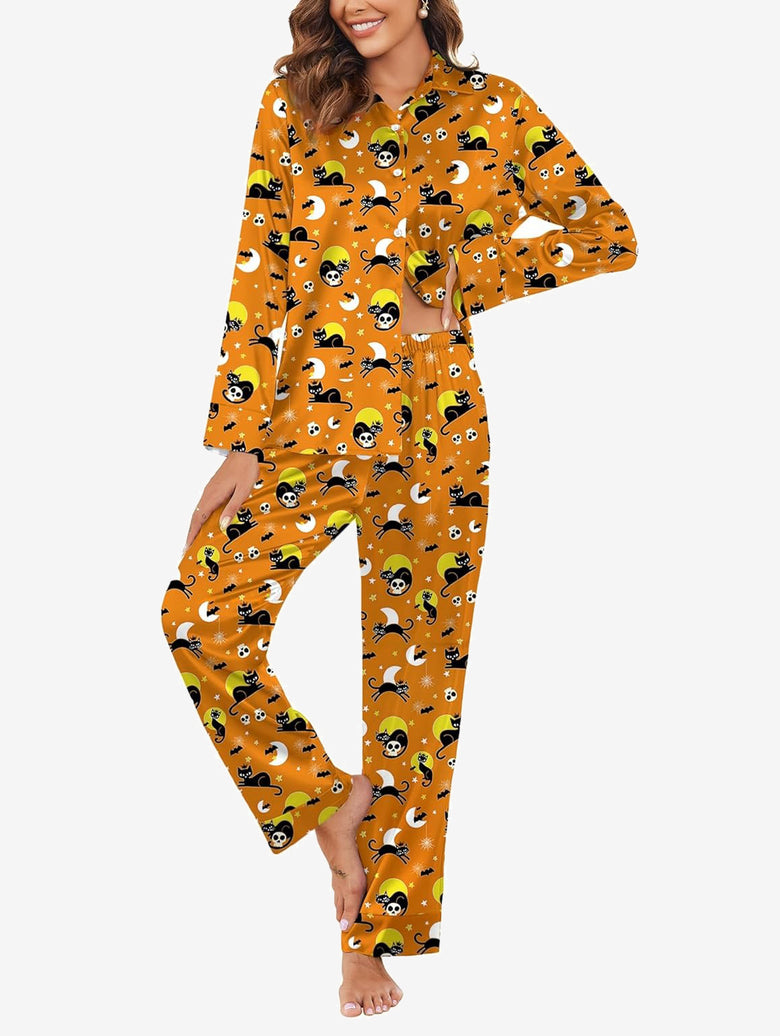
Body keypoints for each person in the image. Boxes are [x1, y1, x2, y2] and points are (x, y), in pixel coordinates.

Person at [159, 0, 638, 1018]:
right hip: (308, 424)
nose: (355, 3)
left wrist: (466, 278)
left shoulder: (495, 110)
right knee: (199, 617)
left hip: (438, 432)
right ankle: (324, 797)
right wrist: (237, 438)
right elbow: (259, 268)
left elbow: (607, 232)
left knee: (415, 702)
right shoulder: (296, 103)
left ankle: (366, 947)